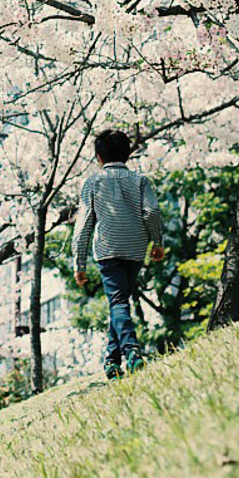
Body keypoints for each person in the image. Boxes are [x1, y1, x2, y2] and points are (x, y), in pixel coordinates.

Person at [72, 128, 165, 380]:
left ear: (99, 157)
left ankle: (132, 353)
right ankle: (112, 362)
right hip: (136, 248)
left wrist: (79, 263)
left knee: (118, 302)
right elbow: (152, 213)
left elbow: (83, 225)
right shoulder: (140, 180)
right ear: (126, 154)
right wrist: (157, 241)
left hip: (108, 249)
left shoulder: (92, 183)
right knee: (120, 301)